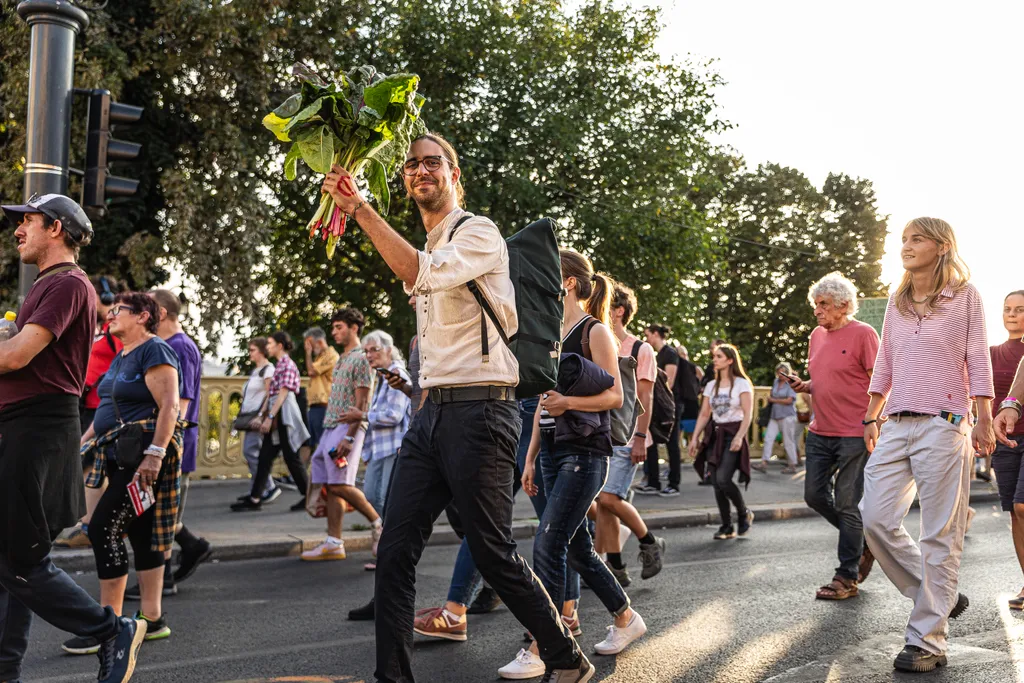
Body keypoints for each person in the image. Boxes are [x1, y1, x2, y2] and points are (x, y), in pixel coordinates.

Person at [322, 133, 592, 682]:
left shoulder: (479, 233)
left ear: (454, 173)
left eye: (433, 163)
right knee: (395, 551)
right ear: (405, 179)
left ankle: (566, 658)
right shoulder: (429, 244)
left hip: (482, 414)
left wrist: (359, 208)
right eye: (413, 165)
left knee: (493, 553)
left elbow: (417, 271)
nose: (422, 171)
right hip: (432, 418)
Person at [0, 193, 145, 683]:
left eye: (28, 221)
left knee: (20, 559)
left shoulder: (66, 284)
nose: (18, 230)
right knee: (10, 557)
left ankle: (110, 630)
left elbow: (17, 356)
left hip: (35, 427)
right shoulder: (50, 286)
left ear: (56, 228)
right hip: (27, 424)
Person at [499, 251, 645, 679]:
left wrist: (569, 402)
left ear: (566, 283)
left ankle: (542, 644)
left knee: (548, 542)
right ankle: (625, 618)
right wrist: (529, 457)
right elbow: (545, 405)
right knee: (578, 547)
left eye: (543, 277)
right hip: (550, 453)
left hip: (585, 454)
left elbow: (615, 397)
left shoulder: (595, 331)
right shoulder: (549, 333)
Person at [860, 217, 994, 673]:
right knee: (874, 516)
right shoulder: (897, 303)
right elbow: (886, 360)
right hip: (896, 421)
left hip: (946, 421)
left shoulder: (966, 297)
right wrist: (872, 413)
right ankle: (941, 596)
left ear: (941, 246)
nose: (906, 246)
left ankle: (928, 640)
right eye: (903, 240)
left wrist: (983, 418)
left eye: (916, 239)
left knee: (939, 534)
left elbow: (977, 356)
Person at [63, 291, 185, 653]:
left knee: (102, 528)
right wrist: (82, 444)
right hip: (119, 451)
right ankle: (153, 618)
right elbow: (106, 412)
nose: (110, 315)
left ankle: (109, 625)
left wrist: (155, 455)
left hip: (142, 453)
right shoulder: (122, 355)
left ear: (144, 316)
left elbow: (170, 405)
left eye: (119, 310)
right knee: (141, 531)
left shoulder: (154, 350)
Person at [785, 272, 879, 601]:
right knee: (814, 496)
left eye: (823, 304)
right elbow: (825, 380)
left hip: (855, 431)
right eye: (815, 304)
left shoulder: (864, 334)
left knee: (847, 504)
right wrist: (804, 385)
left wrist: (873, 419)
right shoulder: (815, 336)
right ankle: (864, 543)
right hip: (820, 431)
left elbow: (879, 381)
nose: (817, 310)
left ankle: (846, 576)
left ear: (843, 305)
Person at [595, 282, 665, 587]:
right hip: (602, 434)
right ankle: (616, 567)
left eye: (604, 305)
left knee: (609, 497)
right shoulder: (598, 342)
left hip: (629, 435)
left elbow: (645, 398)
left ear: (619, 311)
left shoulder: (640, 349)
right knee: (604, 502)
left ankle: (649, 541)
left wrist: (640, 438)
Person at [142, 289, 212, 596]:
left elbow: (181, 403)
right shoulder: (167, 344)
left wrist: (164, 443)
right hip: (167, 437)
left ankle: (164, 580)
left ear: (162, 312)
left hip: (175, 441)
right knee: (159, 509)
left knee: (165, 512)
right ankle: (192, 548)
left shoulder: (181, 347)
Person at [300, 307, 382, 562]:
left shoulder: (361, 357)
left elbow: (363, 400)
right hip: (331, 425)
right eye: (334, 327)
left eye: (339, 327)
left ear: (354, 328)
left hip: (347, 428)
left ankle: (380, 524)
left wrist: (349, 437)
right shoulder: (343, 358)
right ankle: (334, 543)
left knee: (340, 484)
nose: (334, 332)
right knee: (331, 485)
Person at [54, 275, 126, 551]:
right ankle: (88, 524)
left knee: (90, 465)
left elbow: (126, 360)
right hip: (88, 405)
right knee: (86, 465)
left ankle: (90, 526)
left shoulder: (114, 329)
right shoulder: (98, 328)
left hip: (102, 407)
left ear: (104, 298)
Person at [231, 331, 311, 511]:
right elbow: (274, 395)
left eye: (270, 343)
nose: (267, 347)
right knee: (266, 457)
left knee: (291, 458)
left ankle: (309, 497)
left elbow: (283, 394)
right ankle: (255, 497)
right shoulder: (280, 365)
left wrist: (269, 418)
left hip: (284, 415)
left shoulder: (287, 365)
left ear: (280, 345)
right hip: (278, 414)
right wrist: (266, 416)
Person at [688, 344, 754, 540]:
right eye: (714, 356)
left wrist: (740, 436)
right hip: (715, 435)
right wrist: (694, 438)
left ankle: (744, 513)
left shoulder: (742, 383)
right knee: (716, 482)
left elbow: (748, 413)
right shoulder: (711, 386)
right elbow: (704, 414)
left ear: (730, 360)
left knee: (724, 478)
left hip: (733, 433)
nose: (714, 359)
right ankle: (726, 525)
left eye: (719, 356)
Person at [987, 291, 1024, 609]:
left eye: (1020, 310)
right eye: (1007, 309)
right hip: (1005, 442)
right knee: (1014, 511)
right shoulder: (991, 352)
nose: (1012, 314)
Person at [361, 330, 411, 548]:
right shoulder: (381, 377)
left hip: (394, 446)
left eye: (374, 349)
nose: (370, 355)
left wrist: (361, 416)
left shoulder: (397, 374)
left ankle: (392, 545)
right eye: (366, 351)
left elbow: (394, 415)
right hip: (380, 448)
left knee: (384, 499)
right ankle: (392, 542)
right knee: (372, 495)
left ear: (389, 350)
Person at [638, 324, 681, 496]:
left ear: (656, 334)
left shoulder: (670, 353)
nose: (646, 338)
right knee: (651, 443)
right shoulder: (657, 355)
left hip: (668, 407)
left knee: (672, 445)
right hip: (656, 406)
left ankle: (674, 484)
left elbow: (668, 383)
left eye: (647, 334)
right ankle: (653, 482)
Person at [753, 362, 800, 474]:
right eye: (779, 373)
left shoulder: (791, 383)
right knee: (768, 438)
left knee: (789, 441)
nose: (780, 375)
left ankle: (792, 465)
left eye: (783, 373)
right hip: (775, 415)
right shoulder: (775, 382)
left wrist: (774, 400)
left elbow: (790, 400)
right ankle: (764, 463)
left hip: (787, 416)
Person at [304, 326, 340, 450]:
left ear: (319, 342)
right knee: (308, 443)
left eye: (310, 344)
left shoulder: (331, 355)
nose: (309, 347)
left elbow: (311, 371)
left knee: (325, 444)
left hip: (325, 406)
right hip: (315, 406)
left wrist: (308, 354)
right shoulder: (320, 356)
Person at [675, 345, 702, 446]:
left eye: (685, 354)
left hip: (691, 402)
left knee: (694, 433)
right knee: (677, 432)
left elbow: (703, 382)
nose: (684, 357)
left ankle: (697, 455)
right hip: (678, 401)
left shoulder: (694, 368)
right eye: (682, 354)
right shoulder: (674, 368)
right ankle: (678, 455)